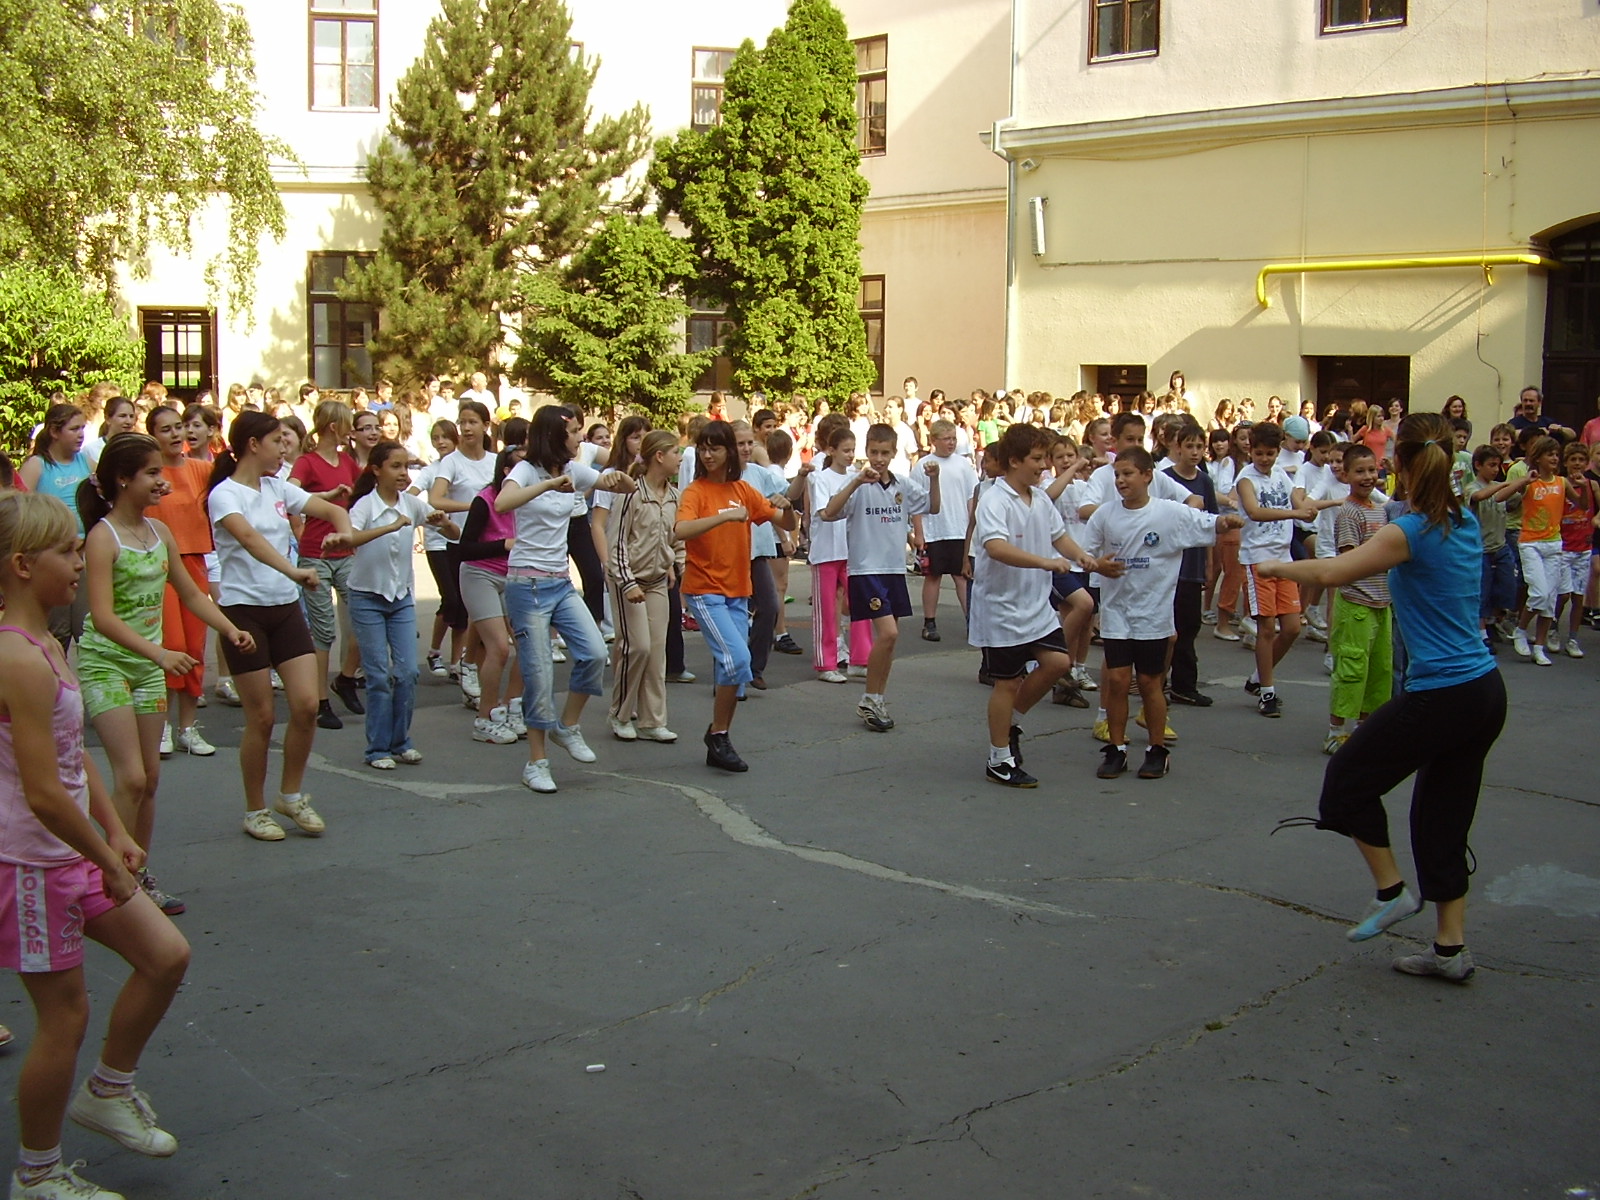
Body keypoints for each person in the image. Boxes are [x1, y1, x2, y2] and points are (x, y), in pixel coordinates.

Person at [1261, 413, 1508, 983]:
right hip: (1483, 692)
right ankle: (1450, 950)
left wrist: (1272, 565)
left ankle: (1391, 891)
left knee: (1347, 782)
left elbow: (1336, 571)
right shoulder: (1463, 520)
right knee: (1441, 819)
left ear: (1402, 464)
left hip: (1443, 694)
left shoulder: (1410, 532)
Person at [0, 490, 192, 1200]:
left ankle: (109, 1090)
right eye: (68, 552)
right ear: (23, 565)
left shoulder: (48, 644)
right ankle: (37, 1174)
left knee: (166, 956)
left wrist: (114, 830)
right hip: (32, 862)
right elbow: (44, 793)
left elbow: (71, 759)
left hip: (74, 850)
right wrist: (108, 857)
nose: (81, 563)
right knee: (64, 1017)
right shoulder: (15, 656)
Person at [76, 433, 253, 918]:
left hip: (150, 668)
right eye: (152, 473)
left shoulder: (159, 533)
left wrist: (229, 628)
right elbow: (103, 617)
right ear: (123, 479)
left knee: (150, 779)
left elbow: (192, 594)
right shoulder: (102, 537)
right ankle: (111, 877)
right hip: (107, 664)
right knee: (130, 776)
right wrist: (159, 652)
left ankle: (138, 872)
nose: (162, 481)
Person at [208, 412, 353, 840]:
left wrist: (343, 532)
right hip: (244, 612)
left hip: (285, 608)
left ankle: (290, 795)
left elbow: (330, 508)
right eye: (277, 441)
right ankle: (255, 809)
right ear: (253, 444)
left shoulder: (277, 487)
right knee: (262, 717)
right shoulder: (224, 494)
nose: (284, 448)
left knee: (306, 705)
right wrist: (294, 572)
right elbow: (250, 540)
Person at [496, 406, 635, 793]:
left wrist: (620, 477)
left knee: (594, 653)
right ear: (554, 436)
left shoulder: (574, 470)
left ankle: (567, 726)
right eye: (574, 432)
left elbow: (617, 484)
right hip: (526, 586)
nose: (579, 438)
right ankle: (536, 763)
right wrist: (547, 486)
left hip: (559, 584)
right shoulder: (526, 471)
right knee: (539, 675)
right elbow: (503, 503)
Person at [1084, 447, 1242, 779]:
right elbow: (1085, 554)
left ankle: (1157, 750)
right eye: (1117, 475)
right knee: (1117, 681)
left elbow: (1208, 523)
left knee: (1149, 682)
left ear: (1147, 476)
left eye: (1128, 473)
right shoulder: (1105, 515)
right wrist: (1098, 565)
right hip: (1117, 613)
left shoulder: (1169, 513)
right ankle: (1116, 749)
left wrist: (1225, 522)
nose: (1121, 480)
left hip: (1153, 615)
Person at [968, 425, 1096, 787]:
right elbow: (995, 547)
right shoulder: (994, 499)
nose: (1043, 466)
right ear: (1014, 461)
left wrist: (1083, 557)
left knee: (1058, 663)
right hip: (1001, 609)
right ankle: (999, 760)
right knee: (1007, 683)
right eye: (1037, 459)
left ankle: (1010, 724)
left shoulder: (1039, 498)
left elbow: (1060, 537)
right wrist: (1045, 562)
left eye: (1044, 458)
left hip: (1035, 606)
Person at [675, 420, 796, 770]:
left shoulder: (743, 489)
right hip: (704, 590)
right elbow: (681, 529)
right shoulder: (696, 492)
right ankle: (718, 734)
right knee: (737, 661)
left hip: (737, 592)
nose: (707, 454)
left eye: (714, 448)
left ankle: (719, 735)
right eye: (703, 448)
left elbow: (787, 523)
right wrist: (725, 517)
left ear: (728, 451)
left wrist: (786, 505)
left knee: (734, 668)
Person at [818, 423, 939, 733]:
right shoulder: (857, 484)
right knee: (888, 634)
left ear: (894, 453)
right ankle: (869, 697)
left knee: (890, 641)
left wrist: (934, 479)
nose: (879, 459)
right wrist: (856, 482)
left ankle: (878, 698)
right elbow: (829, 513)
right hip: (866, 570)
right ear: (867, 452)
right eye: (874, 452)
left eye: (885, 453)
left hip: (893, 569)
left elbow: (933, 506)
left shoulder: (902, 484)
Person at [346, 441, 458, 769]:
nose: (402, 473)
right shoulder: (365, 506)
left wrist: (443, 521)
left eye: (405, 466)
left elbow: (453, 534)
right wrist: (391, 526)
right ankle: (377, 749)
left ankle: (401, 741)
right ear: (376, 470)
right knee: (379, 675)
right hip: (367, 596)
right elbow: (350, 538)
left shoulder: (411, 503)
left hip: (400, 598)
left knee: (408, 672)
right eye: (395, 466)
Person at [1234, 422, 1321, 716]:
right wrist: (1295, 512)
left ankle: (1258, 678)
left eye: (1270, 453)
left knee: (1293, 627)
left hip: (1283, 559)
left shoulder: (1280, 474)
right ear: (1250, 450)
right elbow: (1255, 511)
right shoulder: (1246, 479)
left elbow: (1297, 497)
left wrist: (1308, 507)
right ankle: (1267, 691)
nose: (1264, 459)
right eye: (1259, 453)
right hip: (1258, 559)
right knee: (1267, 627)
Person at [604, 430, 683, 743]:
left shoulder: (674, 496)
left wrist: (674, 563)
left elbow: (676, 537)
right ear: (659, 457)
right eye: (675, 452)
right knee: (637, 647)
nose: (680, 458)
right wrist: (627, 583)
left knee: (656, 652)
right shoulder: (631, 494)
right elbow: (617, 542)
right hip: (629, 581)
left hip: (657, 581)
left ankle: (653, 720)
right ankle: (620, 713)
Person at [289, 401, 364, 731]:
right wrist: (327, 496)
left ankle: (345, 678)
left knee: (363, 616)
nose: (352, 429)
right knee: (323, 631)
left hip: (345, 553)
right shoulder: (307, 462)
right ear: (334, 427)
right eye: (348, 423)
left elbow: (364, 491)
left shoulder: (347, 461)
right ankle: (320, 701)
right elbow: (288, 492)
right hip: (316, 554)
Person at [1322, 444, 1393, 755]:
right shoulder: (1349, 512)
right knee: (1351, 669)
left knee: (1380, 670)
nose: (1367, 477)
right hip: (1356, 603)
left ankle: (1366, 728)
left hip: (1382, 603)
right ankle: (1336, 731)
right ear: (1346, 475)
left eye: (1371, 470)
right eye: (1359, 471)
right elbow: (1349, 559)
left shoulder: (1381, 509)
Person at [456, 446, 526, 745]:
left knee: (528, 645)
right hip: (480, 574)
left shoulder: (529, 498)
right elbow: (464, 549)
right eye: (521, 467)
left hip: (513, 576)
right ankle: (484, 718)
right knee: (499, 647)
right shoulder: (485, 500)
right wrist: (503, 544)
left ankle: (510, 707)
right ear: (507, 472)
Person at [428, 401, 496, 706]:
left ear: (486, 426)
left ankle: (475, 677)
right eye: (462, 422)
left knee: (488, 618)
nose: (466, 428)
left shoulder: (495, 461)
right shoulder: (451, 462)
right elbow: (436, 498)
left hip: (493, 544)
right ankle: (467, 671)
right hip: (461, 543)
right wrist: (475, 507)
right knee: (470, 614)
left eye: (472, 422)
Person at [19, 404, 93, 647]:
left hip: (84, 554)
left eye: (82, 428)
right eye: (74, 429)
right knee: (57, 629)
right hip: (51, 556)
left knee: (86, 628)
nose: (81, 434)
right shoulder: (37, 465)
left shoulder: (86, 461)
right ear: (54, 431)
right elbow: (20, 510)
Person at [802, 425, 871, 684]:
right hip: (826, 551)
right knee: (827, 611)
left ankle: (860, 659)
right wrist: (854, 484)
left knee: (861, 604)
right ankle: (826, 663)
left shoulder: (856, 476)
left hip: (851, 550)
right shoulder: (820, 478)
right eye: (845, 450)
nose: (850, 455)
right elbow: (825, 513)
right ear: (831, 451)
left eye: (853, 450)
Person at [1162, 422, 1219, 706]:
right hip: (1169, 564)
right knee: (1166, 628)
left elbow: (1210, 523)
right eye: (1189, 446)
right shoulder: (1164, 479)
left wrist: (1209, 563)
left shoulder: (1204, 481)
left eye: (1199, 447)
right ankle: (1156, 681)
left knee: (1189, 626)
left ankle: (1184, 685)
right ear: (1178, 447)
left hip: (1193, 565)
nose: (1195, 452)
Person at [1510, 436, 1575, 665]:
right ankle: (1520, 629)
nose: (1555, 458)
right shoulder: (1530, 482)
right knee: (1539, 593)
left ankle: (1539, 647)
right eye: (1550, 454)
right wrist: (1524, 481)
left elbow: (1583, 504)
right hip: (1530, 542)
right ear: (1537, 458)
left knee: (1549, 600)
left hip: (1554, 543)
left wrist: (1583, 486)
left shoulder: (1562, 482)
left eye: (1557, 454)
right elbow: (1501, 498)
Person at [914, 419, 979, 642]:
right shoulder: (923, 465)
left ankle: (972, 621)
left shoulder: (963, 465)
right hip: (934, 531)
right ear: (934, 440)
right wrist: (919, 533)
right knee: (933, 577)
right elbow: (917, 502)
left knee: (962, 576)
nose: (951, 443)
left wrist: (973, 528)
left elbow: (971, 497)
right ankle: (929, 622)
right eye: (946, 439)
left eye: (953, 439)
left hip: (959, 531)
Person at [1552, 439, 1599, 656]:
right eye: (1573, 459)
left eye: (1581, 459)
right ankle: (1553, 627)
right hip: (1563, 545)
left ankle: (1573, 638)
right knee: (1563, 594)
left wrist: (1596, 518)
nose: (1577, 463)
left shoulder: (1592, 485)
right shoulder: (1560, 483)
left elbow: (1592, 506)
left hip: (1583, 546)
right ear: (1566, 462)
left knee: (1578, 596)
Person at [1508, 386, 1575, 442]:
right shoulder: (1514, 423)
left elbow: (1572, 435)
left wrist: (1560, 429)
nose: (1528, 403)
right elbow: (1510, 437)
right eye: (1525, 400)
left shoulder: (1547, 421)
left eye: (1531, 401)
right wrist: (1539, 431)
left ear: (1539, 403)